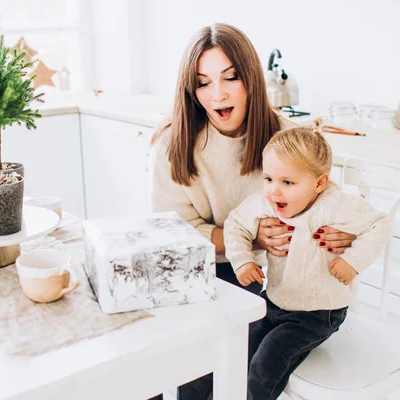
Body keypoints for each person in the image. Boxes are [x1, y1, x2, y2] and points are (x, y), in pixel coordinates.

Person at [148, 22, 358, 399]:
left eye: (230, 78)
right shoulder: (173, 144)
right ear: (191, 90)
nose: (218, 93)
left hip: (272, 280)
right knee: (188, 359)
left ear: (250, 80)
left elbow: (328, 203)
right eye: (204, 82)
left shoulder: (286, 137)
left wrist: (341, 236)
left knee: (239, 364)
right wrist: (244, 236)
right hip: (204, 270)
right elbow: (171, 231)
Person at [223, 125, 390, 399]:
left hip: (316, 313)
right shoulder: (268, 202)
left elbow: (380, 223)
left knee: (265, 363)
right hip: (274, 302)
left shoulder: (335, 205)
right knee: (237, 348)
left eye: (287, 183)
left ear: (319, 183)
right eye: (268, 179)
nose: (274, 191)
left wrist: (353, 261)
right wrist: (242, 260)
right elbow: (236, 224)